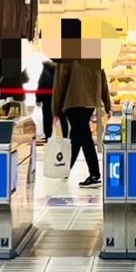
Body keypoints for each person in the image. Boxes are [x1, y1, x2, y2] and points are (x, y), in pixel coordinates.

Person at [53, 56, 112, 187]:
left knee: (82, 136)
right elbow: (103, 82)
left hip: (74, 102)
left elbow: (60, 84)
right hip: (91, 102)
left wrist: (56, 110)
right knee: (78, 136)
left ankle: (94, 175)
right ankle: (67, 170)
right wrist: (107, 105)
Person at [38, 59, 65, 140]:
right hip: (61, 96)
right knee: (63, 118)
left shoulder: (46, 68)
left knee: (47, 118)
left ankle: (48, 136)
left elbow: (41, 83)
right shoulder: (63, 67)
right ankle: (65, 137)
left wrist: (38, 98)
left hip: (47, 97)